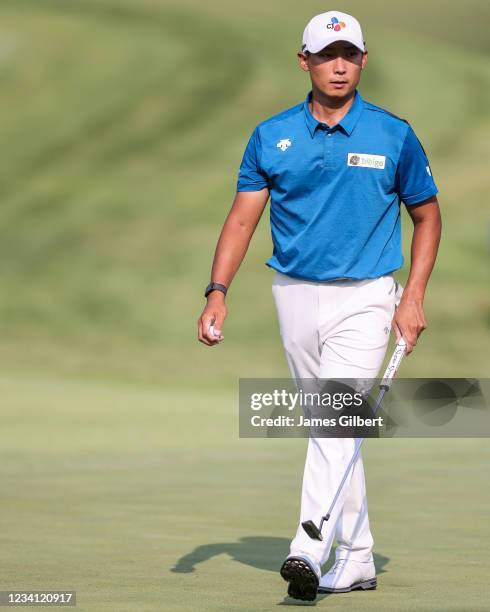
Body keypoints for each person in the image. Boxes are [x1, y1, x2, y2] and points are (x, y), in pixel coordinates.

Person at [197, 9, 442, 602]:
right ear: (303, 61)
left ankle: (306, 546)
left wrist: (412, 295)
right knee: (333, 430)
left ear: (363, 60)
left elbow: (427, 216)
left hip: (366, 298)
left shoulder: (392, 133)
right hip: (294, 295)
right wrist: (217, 292)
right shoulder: (271, 135)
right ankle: (357, 557)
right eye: (327, 55)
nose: (340, 65)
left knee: (336, 423)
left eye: (350, 54)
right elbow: (241, 219)